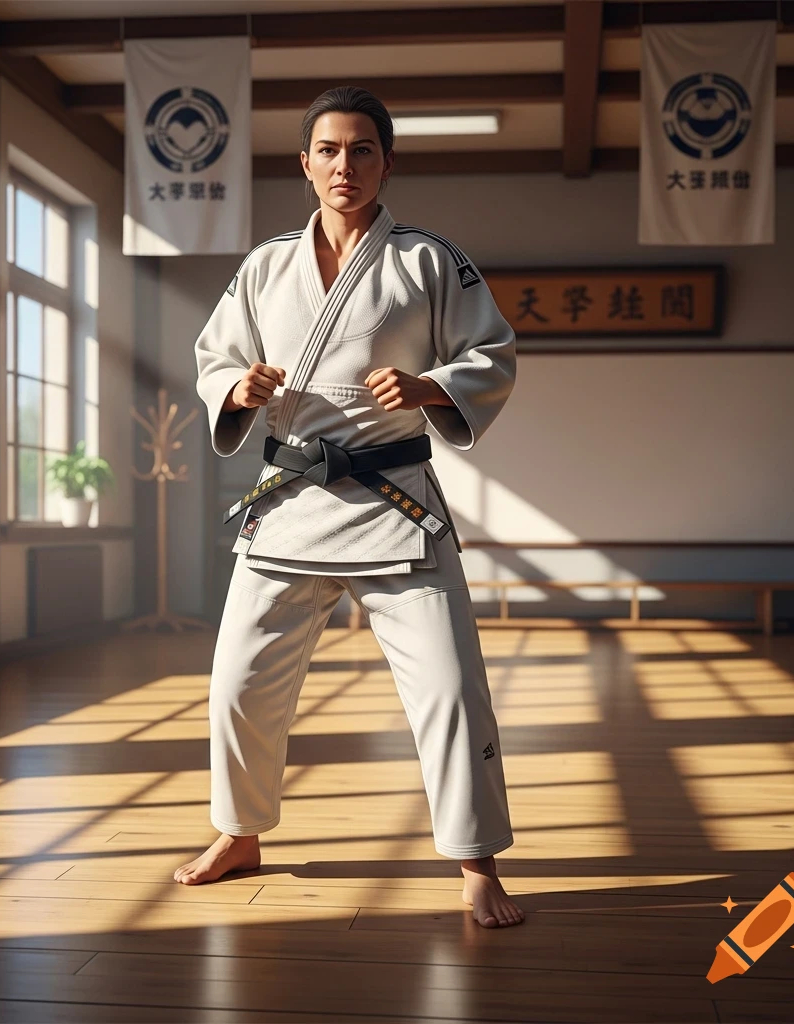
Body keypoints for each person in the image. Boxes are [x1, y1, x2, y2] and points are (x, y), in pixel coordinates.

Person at [177, 86, 523, 929]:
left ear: (386, 161)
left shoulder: (429, 260)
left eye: (362, 149)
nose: (345, 165)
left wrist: (429, 384)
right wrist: (240, 386)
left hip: (393, 500)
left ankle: (475, 862)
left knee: (449, 688)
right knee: (237, 686)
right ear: (305, 164)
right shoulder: (265, 265)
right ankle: (239, 831)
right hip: (291, 497)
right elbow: (214, 355)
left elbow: (494, 351)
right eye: (328, 150)